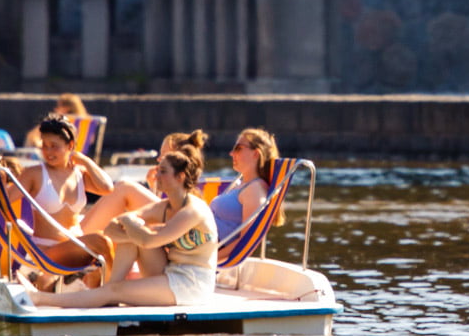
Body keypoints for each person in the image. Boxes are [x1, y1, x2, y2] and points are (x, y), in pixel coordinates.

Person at [29, 129, 285, 309]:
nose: (156, 175)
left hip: (191, 275)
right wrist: (129, 224)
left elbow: (151, 239)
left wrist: (130, 224)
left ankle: (49, 297)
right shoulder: (176, 204)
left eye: (162, 169)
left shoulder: (238, 195)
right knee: (128, 236)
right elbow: (121, 229)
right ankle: (103, 289)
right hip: (177, 256)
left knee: (128, 205)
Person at [14, 115, 114, 279]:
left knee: (117, 239)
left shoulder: (79, 174)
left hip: (76, 248)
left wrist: (85, 161)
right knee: (101, 241)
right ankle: (113, 288)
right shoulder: (34, 174)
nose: (48, 152)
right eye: (44, 146)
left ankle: (94, 287)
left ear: (70, 145)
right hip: (47, 252)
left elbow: (107, 188)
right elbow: (4, 200)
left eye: (54, 146)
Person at [78, 129, 209, 235]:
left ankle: (78, 240)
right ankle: (82, 239)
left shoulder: (189, 199)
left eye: (164, 156)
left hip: (178, 229)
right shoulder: (185, 194)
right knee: (122, 220)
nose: (159, 160)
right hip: (169, 230)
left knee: (124, 188)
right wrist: (154, 188)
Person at [23, 94, 89, 148]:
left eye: (58, 106)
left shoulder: (59, 122)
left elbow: (33, 137)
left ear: (66, 108)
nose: (55, 109)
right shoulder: (87, 123)